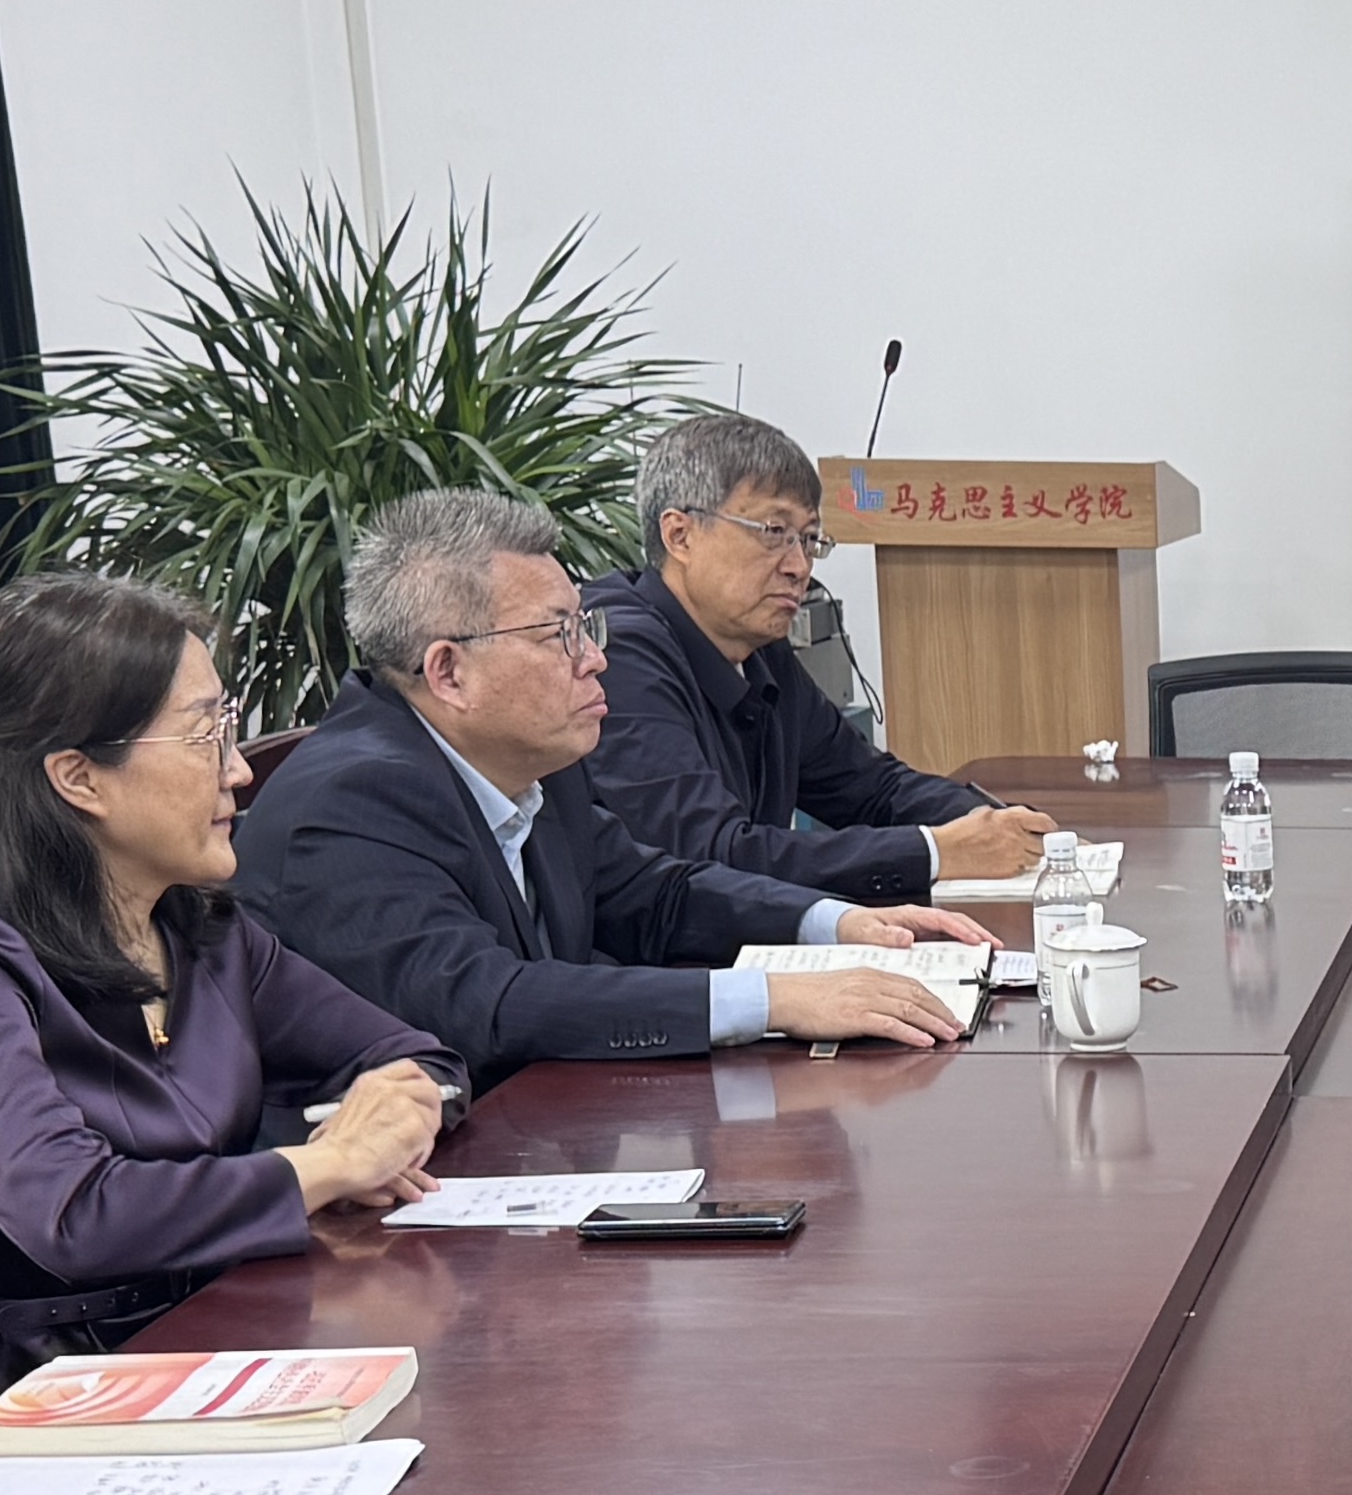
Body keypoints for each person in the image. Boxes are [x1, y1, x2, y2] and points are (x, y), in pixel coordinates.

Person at [0, 573, 463, 1477]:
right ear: (79, 777)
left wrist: (392, 1117)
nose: (239, 771)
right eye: (205, 735)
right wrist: (327, 1165)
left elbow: (412, 1054)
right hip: (10, 1415)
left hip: (205, 1347)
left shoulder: (195, 925)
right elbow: (73, 1215)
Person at [239, 490, 988, 1093]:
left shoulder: (536, 759)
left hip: (529, 1133)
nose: (595, 659)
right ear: (448, 672)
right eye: (558, 635)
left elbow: (655, 896)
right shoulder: (349, 805)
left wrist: (834, 924)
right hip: (383, 1204)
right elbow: (489, 1004)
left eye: (586, 626)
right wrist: (771, 998)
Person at [581, 411, 1053, 903]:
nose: (799, 566)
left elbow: (871, 787)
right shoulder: (616, 656)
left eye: (808, 539)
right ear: (681, 536)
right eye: (773, 531)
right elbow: (711, 856)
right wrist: (934, 851)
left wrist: (999, 826)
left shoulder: (760, 648)